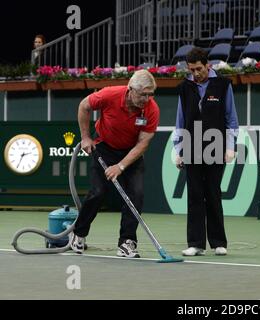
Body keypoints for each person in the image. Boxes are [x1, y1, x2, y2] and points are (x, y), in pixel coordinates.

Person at [70, 69, 160, 258]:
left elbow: (142, 144)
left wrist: (120, 166)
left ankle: (127, 242)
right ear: (130, 90)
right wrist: (85, 137)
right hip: (104, 146)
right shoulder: (110, 94)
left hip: (130, 154)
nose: (147, 99)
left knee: (136, 194)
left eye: (150, 94)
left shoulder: (151, 109)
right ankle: (78, 234)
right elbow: (84, 106)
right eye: (143, 94)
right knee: (98, 192)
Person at [173, 47, 239, 256]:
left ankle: (219, 242)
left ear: (207, 65)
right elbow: (180, 121)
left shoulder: (223, 85)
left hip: (216, 146)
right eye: (192, 70)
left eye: (199, 69)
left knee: (212, 193)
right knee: (194, 195)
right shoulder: (185, 87)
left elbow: (231, 118)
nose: (196, 73)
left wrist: (230, 147)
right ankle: (196, 243)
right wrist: (178, 149)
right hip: (191, 147)